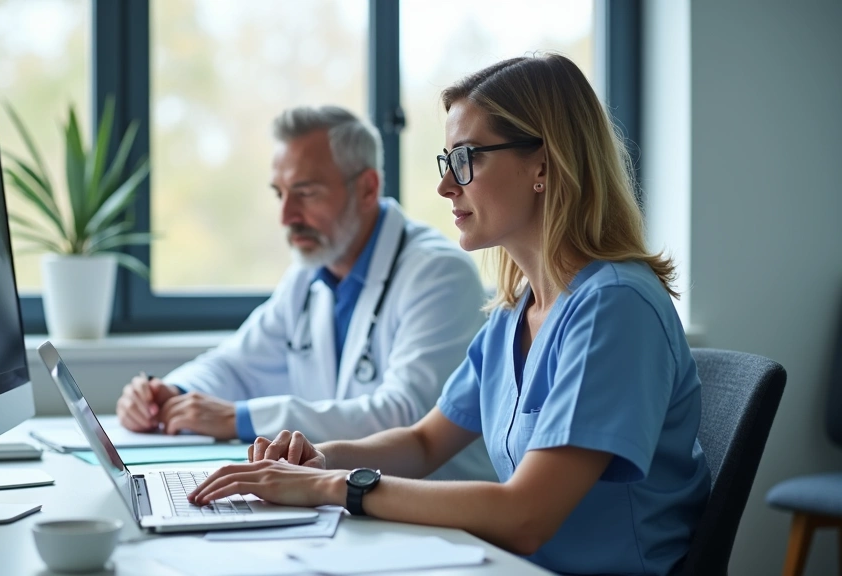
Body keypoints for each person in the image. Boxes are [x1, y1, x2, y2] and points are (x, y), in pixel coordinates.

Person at [187, 54, 711, 576]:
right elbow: (422, 442)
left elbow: (526, 515)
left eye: (466, 159)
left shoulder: (615, 307)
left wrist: (333, 487)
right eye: (447, 162)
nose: (445, 187)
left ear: (543, 166)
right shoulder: (514, 312)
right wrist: (319, 459)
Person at [116, 105, 495, 481]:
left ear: (367, 189)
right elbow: (235, 364)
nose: (286, 216)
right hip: (346, 502)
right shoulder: (309, 274)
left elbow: (406, 417)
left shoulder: (438, 273)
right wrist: (168, 393)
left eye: (305, 192)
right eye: (280, 194)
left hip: (438, 516)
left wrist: (238, 418)